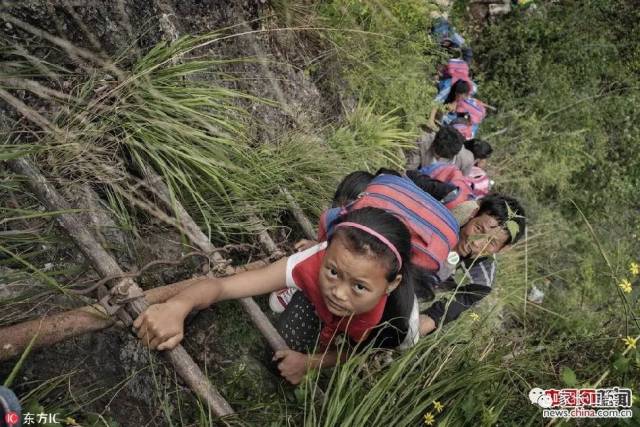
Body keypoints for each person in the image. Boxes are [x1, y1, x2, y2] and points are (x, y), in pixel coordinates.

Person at [134, 207, 419, 384]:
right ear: (325, 250)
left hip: (376, 336)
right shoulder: (310, 263)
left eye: (359, 287)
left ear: (391, 285)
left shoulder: (392, 323)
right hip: (320, 289)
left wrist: (309, 363)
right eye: (332, 272)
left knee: (352, 340)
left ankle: (319, 316)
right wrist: (178, 305)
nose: (340, 294)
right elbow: (224, 286)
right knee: (280, 351)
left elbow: (356, 352)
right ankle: (303, 294)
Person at [418, 194, 526, 335]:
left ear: (503, 249)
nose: (476, 242)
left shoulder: (481, 282)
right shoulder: (445, 219)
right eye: (479, 229)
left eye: (491, 242)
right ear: (474, 214)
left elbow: (437, 314)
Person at [406, 125, 474, 176]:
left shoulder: (466, 160)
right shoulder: (422, 141)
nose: (438, 159)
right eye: (436, 155)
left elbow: (459, 184)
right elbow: (410, 169)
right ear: (434, 143)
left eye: (443, 158)